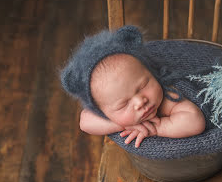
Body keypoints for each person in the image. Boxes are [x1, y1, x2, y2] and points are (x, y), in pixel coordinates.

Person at [78, 52, 206, 148]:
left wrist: (158, 127)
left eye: (143, 86)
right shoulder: (109, 102)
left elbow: (195, 121)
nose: (140, 101)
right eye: (124, 104)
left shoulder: (168, 98)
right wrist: (123, 123)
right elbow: (85, 122)